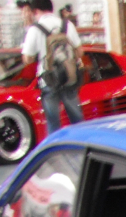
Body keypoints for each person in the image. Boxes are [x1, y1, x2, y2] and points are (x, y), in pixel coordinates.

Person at [22, 0, 81, 134]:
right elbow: (79, 51)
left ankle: (57, 145)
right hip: (69, 76)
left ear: (35, 11)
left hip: (49, 79)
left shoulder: (35, 29)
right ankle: (83, 142)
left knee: (53, 121)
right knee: (76, 118)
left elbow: (27, 59)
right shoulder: (67, 24)